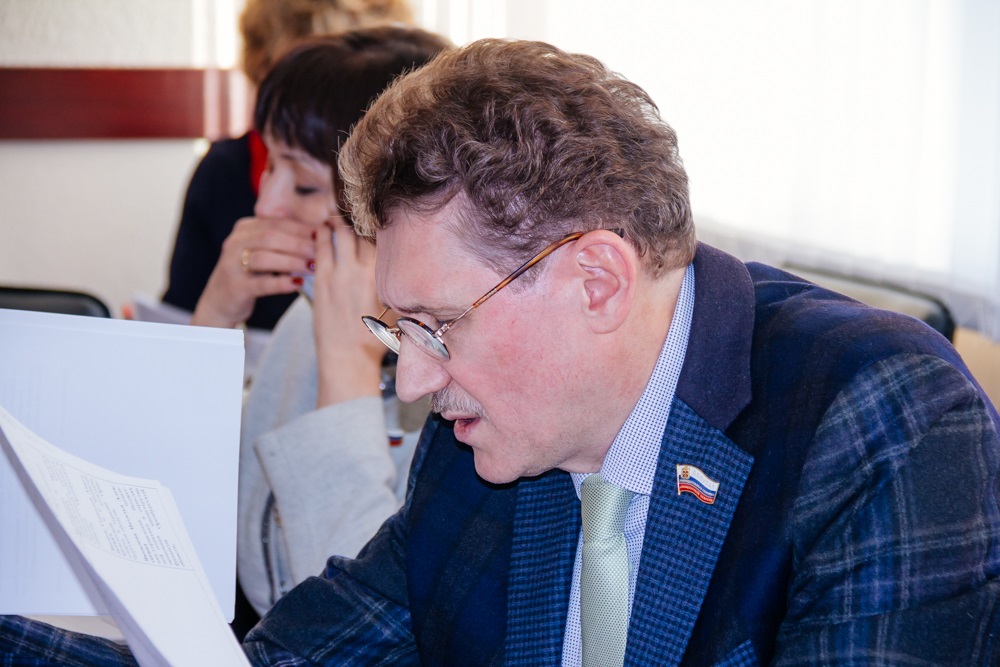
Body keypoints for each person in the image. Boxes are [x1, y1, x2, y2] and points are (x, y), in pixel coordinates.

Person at [3, 38, 999, 667]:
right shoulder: (486, 438)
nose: (415, 379)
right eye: (399, 329)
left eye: (439, 324)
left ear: (596, 280)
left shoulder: (880, 416)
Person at [161, 0, 413, 331]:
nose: (264, 207)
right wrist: (216, 312)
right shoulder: (223, 169)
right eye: (270, 166)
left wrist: (349, 352)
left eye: (305, 186)